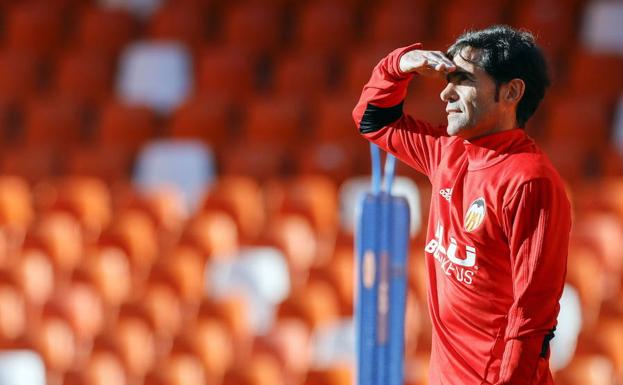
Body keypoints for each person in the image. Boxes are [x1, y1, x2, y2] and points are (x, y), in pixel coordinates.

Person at [352, 25, 571, 385]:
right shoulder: (446, 152)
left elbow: (533, 315)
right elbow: (371, 119)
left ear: (512, 91)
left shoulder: (531, 182)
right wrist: (400, 65)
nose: (445, 93)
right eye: (447, 78)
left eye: (463, 79)